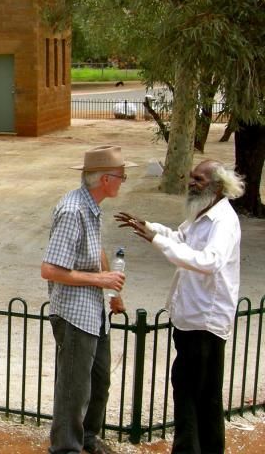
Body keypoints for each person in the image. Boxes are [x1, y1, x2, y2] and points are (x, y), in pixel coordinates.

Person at [115, 160, 244, 454]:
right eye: (191, 177)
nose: (191, 182)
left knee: (192, 393)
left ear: (216, 186)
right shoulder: (203, 213)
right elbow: (181, 238)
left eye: (198, 179)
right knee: (200, 393)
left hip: (205, 322)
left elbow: (209, 262)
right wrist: (150, 229)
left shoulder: (223, 221)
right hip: (190, 320)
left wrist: (159, 240)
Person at [41, 145, 135, 454]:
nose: (124, 180)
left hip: (94, 310)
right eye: (122, 175)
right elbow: (50, 269)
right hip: (73, 313)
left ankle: (89, 438)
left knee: (98, 381)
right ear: (106, 179)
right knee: (74, 388)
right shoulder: (72, 210)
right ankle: (65, 447)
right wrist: (102, 280)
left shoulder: (92, 206)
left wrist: (114, 293)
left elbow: (96, 251)